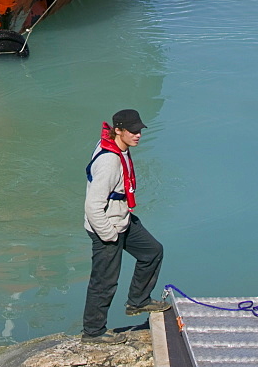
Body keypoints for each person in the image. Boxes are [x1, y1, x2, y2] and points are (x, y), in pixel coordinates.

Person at [82, 109, 169, 346]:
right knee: (104, 281)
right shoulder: (109, 162)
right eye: (132, 131)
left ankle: (138, 301)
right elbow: (92, 207)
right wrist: (109, 235)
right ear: (118, 130)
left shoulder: (118, 147)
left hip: (122, 219)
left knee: (152, 251)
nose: (138, 134)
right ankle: (93, 332)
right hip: (107, 228)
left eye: (139, 130)